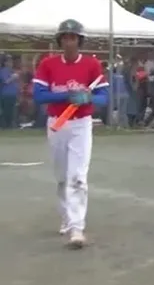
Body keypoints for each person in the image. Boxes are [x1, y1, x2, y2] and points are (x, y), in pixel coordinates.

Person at [32, 19, 108, 249]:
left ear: (79, 40)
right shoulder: (48, 64)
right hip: (57, 123)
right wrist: (68, 95)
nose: (69, 42)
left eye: (73, 37)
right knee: (62, 177)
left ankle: (77, 227)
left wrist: (88, 98)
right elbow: (39, 95)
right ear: (60, 41)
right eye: (65, 37)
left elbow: (104, 98)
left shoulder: (92, 65)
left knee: (77, 176)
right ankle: (66, 218)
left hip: (81, 125)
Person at [0, 56, 20, 129]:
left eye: (11, 61)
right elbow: (6, 81)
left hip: (13, 94)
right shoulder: (3, 71)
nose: (11, 63)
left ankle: (10, 125)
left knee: (12, 111)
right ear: (5, 63)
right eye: (9, 61)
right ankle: (5, 126)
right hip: (6, 94)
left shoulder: (12, 70)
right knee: (7, 111)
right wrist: (13, 77)